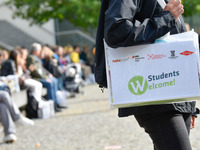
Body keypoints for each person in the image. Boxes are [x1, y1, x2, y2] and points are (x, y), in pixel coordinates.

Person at [96, 0, 197, 149]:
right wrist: (166, 18)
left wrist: (190, 105)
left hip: (176, 95)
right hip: (153, 94)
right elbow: (116, 31)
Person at [26, 43, 61, 112]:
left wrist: (48, 74)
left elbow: (41, 69)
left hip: (43, 77)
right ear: (35, 51)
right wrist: (45, 78)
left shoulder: (36, 58)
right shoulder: (31, 58)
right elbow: (35, 71)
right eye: (39, 50)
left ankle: (56, 102)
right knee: (50, 83)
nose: (40, 51)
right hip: (37, 78)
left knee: (54, 80)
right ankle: (52, 104)